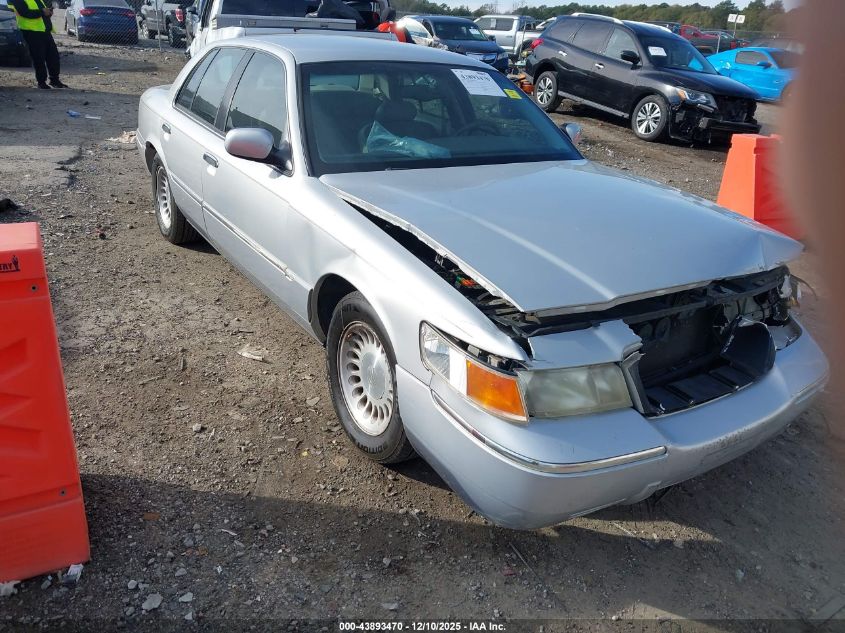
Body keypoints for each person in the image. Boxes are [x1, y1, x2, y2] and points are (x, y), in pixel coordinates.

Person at [8, 0, 67, 89]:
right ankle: (41, 82)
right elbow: (24, 12)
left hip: (44, 31)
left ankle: (54, 80)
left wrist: (49, 12)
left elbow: (45, 11)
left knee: (53, 57)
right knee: (39, 57)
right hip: (31, 31)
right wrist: (42, 12)